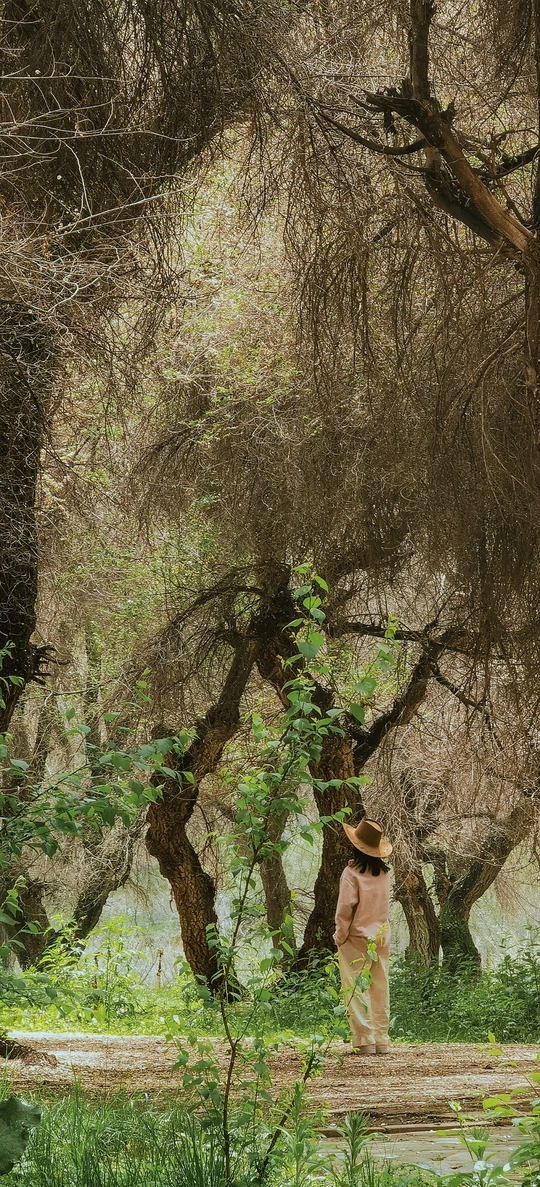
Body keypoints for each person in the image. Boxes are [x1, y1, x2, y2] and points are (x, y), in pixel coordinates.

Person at [333, 817, 392, 1056]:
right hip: (381, 938)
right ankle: (381, 1039)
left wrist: (340, 936)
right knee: (380, 988)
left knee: (355, 988)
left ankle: (364, 1040)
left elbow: (345, 909)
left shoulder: (351, 874)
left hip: (355, 939)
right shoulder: (384, 875)